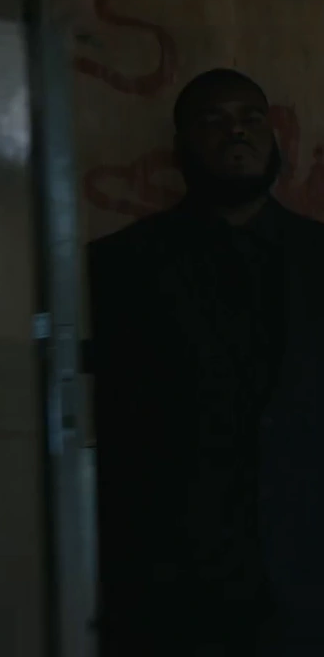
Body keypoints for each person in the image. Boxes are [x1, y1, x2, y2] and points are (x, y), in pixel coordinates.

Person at [89, 68, 324, 656]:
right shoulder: (117, 268)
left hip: (306, 581)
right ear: (181, 146)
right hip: (167, 588)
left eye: (251, 118)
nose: (236, 132)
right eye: (213, 120)